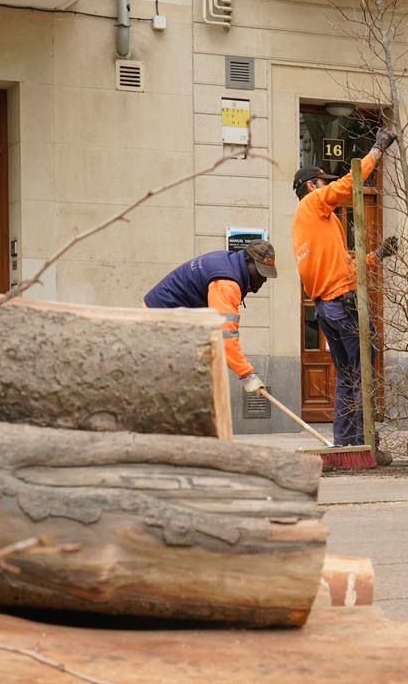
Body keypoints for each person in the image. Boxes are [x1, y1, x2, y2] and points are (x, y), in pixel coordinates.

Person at [291, 127, 395, 446]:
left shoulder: (321, 222)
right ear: (312, 185)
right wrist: (377, 149)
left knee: (349, 375)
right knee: (363, 366)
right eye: (324, 182)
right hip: (339, 303)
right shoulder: (312, 205)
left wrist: (376, 256)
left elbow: (344, 266)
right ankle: (361, 438)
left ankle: (345, 442)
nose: (328, 187)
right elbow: (350, 182)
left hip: (328, 308)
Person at [142, 239, 278, 396]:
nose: (263, 279)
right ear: (247, 260)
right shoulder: (227, 283)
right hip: (161, 322)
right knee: (179, 391)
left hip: (166, 318)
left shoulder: (228, 263)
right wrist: (248, 375)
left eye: (267, 274)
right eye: (260, 272)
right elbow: (225, 335)